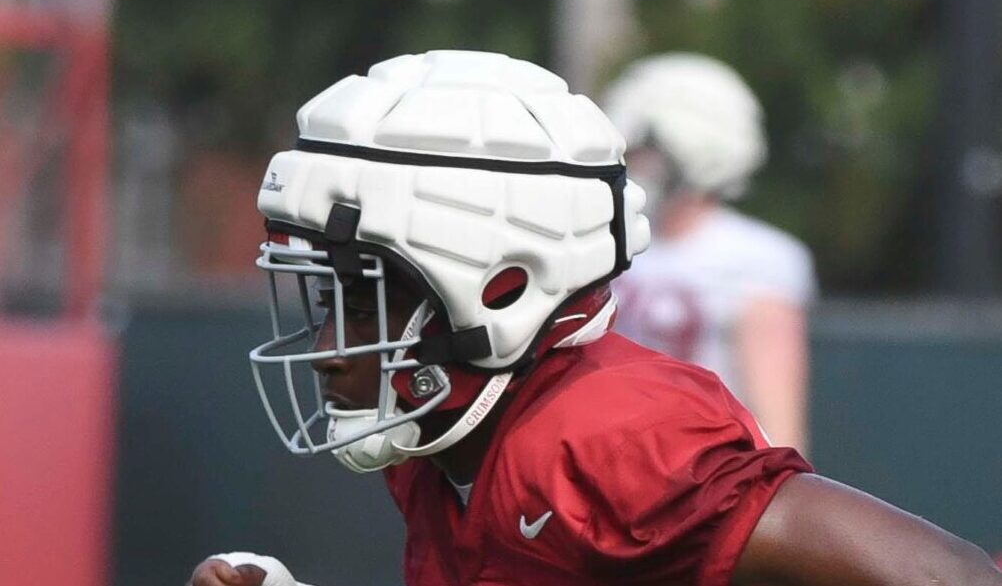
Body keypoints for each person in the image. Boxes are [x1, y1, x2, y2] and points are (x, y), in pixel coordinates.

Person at [187, 50, 1001, 586]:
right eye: (331, 300)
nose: (329, 350)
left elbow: (954, 577)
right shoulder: (439, 442)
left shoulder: (602, 444)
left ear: (495, 286)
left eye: (364, 301)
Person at [602, 53, 816, 453]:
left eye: (646, 148)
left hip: (700, 478)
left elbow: (779, 431)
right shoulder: (606, 242)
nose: (631, 162)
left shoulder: (758, 259)